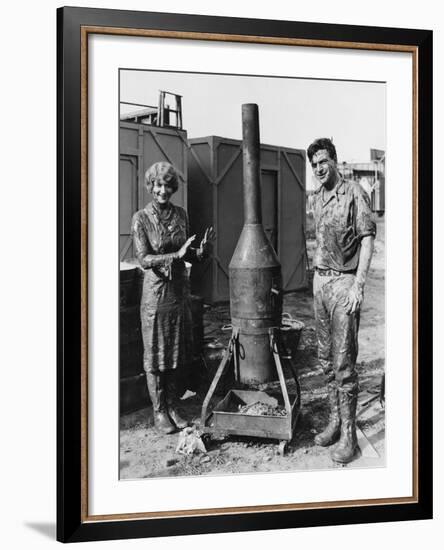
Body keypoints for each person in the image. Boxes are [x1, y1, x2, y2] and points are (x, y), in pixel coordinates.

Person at [131, 161, 215, 434]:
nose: (163, 190)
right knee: (156, 353)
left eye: (168, 185)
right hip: (156, 295)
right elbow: (143, 259)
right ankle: (159, 411)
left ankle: (172, 405)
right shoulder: (140, 218)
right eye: (158, 185)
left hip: (179, 292)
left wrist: (200, 252)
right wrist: (175, 256)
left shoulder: (180, 214)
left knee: (176, 351)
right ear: (150, 186)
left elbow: (186, 253)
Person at [307, 138, 376, 463]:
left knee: (344, 363)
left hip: (344, 283)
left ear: (334, 160)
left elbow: (367, 238)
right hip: (321, 284)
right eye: (314, 165)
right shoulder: (316, 199)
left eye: (323, 161)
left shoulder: (354, 192)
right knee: (325, 360)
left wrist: (358, 285)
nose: (319, 169)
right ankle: (335, 421)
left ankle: (349, 435)